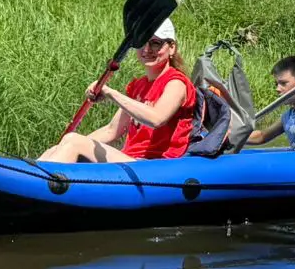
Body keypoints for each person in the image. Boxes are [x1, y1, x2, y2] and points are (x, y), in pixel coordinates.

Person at [38, 18, 197, 162]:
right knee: (64, 144)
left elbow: (157, 119)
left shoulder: (176, 82)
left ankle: (40, 190)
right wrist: (67, 145)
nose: (147, 49)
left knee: (73, 141)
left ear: (172, 48)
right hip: (132, 158)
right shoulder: (139, 86)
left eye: (155, 43)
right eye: (142, 42)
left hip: (156, 165)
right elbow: (111, 130)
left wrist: (110, 93)